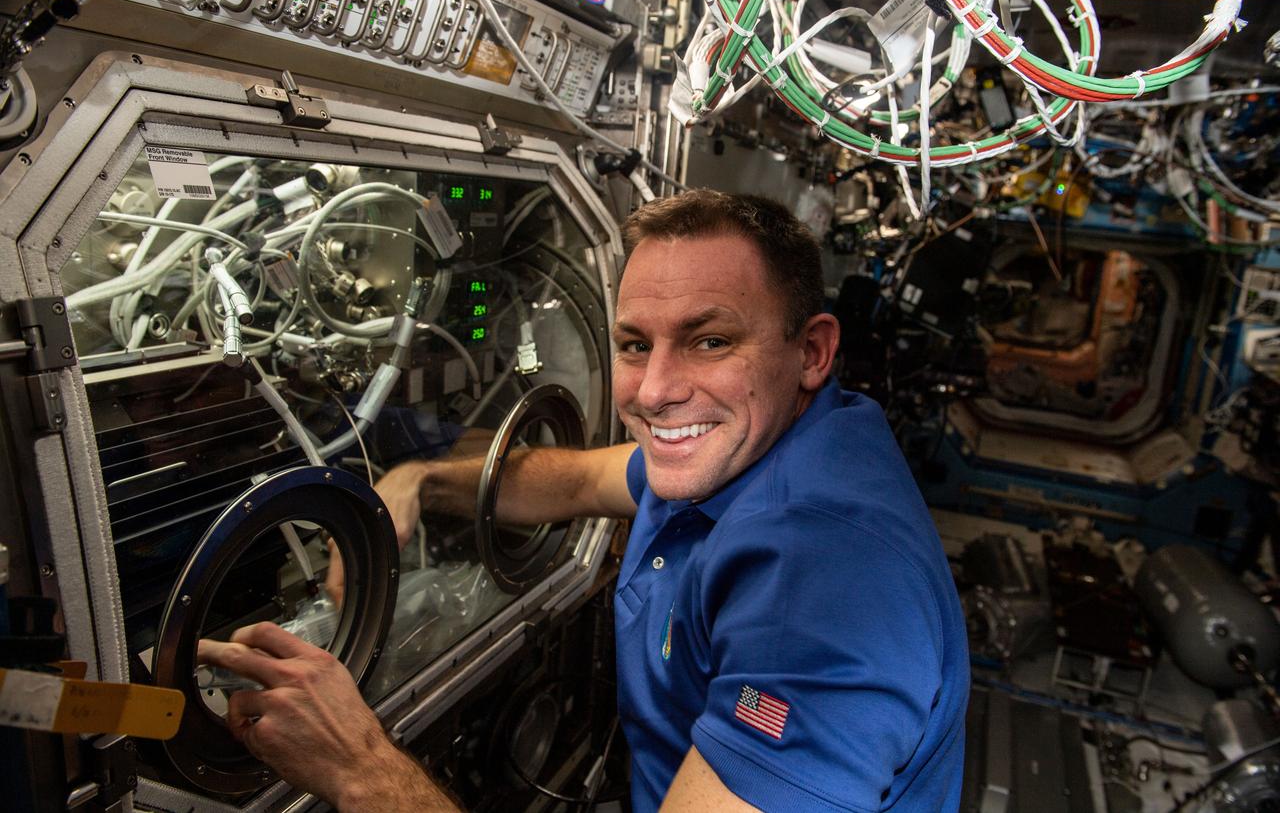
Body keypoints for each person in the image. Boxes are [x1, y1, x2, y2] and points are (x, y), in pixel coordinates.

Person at [199, 189, 970, 812]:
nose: (657, 391)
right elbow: (575, 479)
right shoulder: (754, 444)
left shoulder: (830, 597)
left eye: (710, 341)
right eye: (635, 344)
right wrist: (421, 480)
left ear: (812, 351)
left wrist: (360, 767)